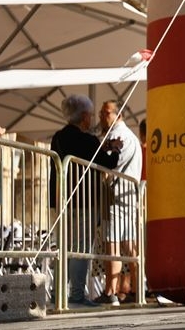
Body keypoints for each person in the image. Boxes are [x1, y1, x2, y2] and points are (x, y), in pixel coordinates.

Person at [49, 95, 118, 307]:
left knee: (64, 247)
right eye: (89, 115)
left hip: (60, 200)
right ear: (85, 117)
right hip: (84, 201)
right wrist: (114, 149)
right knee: (80, 249)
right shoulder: (88, 140)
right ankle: (77, 294)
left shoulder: (58, 137)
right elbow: (107, 163)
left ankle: (58, 291)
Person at [95, 100, 142, 306]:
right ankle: (138, 289)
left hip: (115, 195)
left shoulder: (117, 136)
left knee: (112, 244)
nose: (101, 117)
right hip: (128, 195)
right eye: (100, 113)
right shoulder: (130, 136)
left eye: (106, 113)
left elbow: (107, 164)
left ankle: (110, 291)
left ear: (118, 115)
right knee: (129, 244)